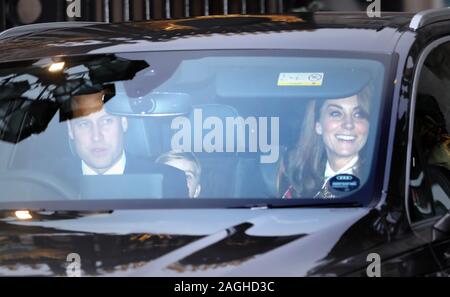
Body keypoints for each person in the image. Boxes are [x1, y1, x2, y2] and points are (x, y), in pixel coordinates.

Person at [57, 89, 189, 197]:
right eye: (84, 124)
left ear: (124, 123)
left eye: (106, 121)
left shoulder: (167, 182)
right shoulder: (48, 183)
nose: (96, 136)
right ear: (70, 130)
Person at [279, 86, 371, 199]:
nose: (348, 124)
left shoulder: (377, 184)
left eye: (358, 114)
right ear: (318, 125)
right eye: (336, 114)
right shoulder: (298, 180)